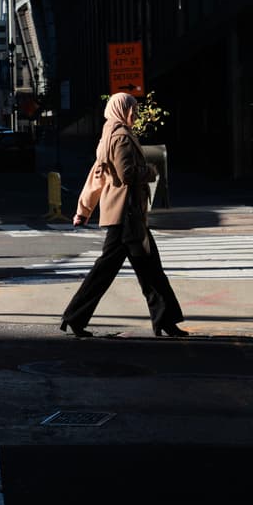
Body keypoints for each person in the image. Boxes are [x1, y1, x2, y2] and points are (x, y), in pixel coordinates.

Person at [60, 92, 188, 338]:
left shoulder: (108, 135)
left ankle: (165, 321)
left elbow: (96, 177)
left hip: (122, 215)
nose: (135, 113)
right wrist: (150, 171)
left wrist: (83, 210)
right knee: (136, 270)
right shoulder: (122, 138)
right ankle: (75, 317)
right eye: (132, 108)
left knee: (146, 269)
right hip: (128, 215)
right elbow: (127, 174)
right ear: (122, 109)